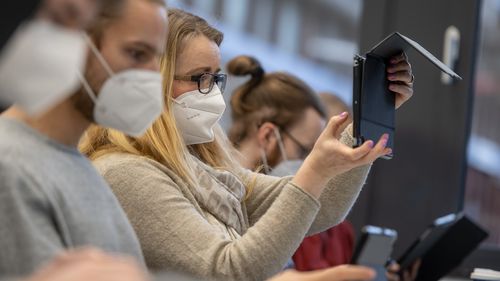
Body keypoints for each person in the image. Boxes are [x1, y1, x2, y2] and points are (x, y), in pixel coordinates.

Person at [80, 8, 412, 281]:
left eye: (215, 78)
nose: (212, 92)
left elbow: (320, 207)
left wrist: (370, 117)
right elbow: (229, 270)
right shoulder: (125, 174)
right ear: (155, 80)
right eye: (200, 78)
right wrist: (316, 169)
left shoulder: (206, 172)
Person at [0, 0, 168, 276]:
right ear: (73, 39)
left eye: (156, 59)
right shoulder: (10, 165)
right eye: (137, 54)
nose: (152, 76)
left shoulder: (73, 161)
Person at [226, 56, 413, 281]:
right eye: (307, 151)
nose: (317, 161)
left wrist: (378, 106)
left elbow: (327, 205)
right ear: (268, 136)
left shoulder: (277, 204)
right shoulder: (222, 195)